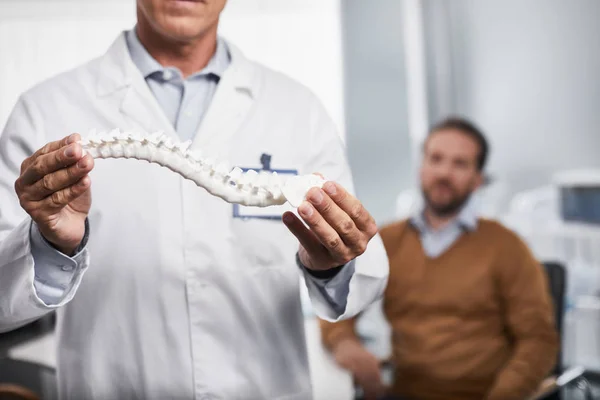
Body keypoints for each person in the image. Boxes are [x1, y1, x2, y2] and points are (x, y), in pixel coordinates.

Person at [0, 1, 389, 399]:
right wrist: (50, 244)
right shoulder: (44, 110)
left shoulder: (298, 110)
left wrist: (330, 265)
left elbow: (366, 272)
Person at [319, 117, 559, 400]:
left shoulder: (507, 246)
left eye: (460, 164)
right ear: (422, 168)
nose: (444, 172)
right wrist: (347, 345)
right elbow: (337, 306)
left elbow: (538, 341)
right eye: (436, 159)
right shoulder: (387, 241)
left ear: (477, 180)